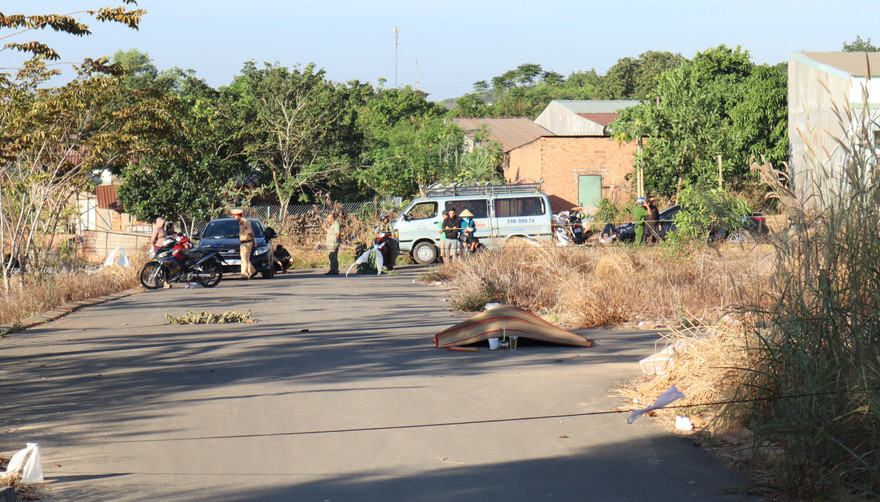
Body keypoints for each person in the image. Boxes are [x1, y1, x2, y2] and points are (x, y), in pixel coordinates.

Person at [232, 208, 256, 279]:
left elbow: (250, 233)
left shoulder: (245, 222)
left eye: (234, 216)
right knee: (245, 258)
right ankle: (252, 271)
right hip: (243, 242)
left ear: (237, 216)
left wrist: (253, 241)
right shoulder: (241, 222)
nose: (234, 218)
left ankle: (244, 273)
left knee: (244, 259)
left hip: (247, 242)